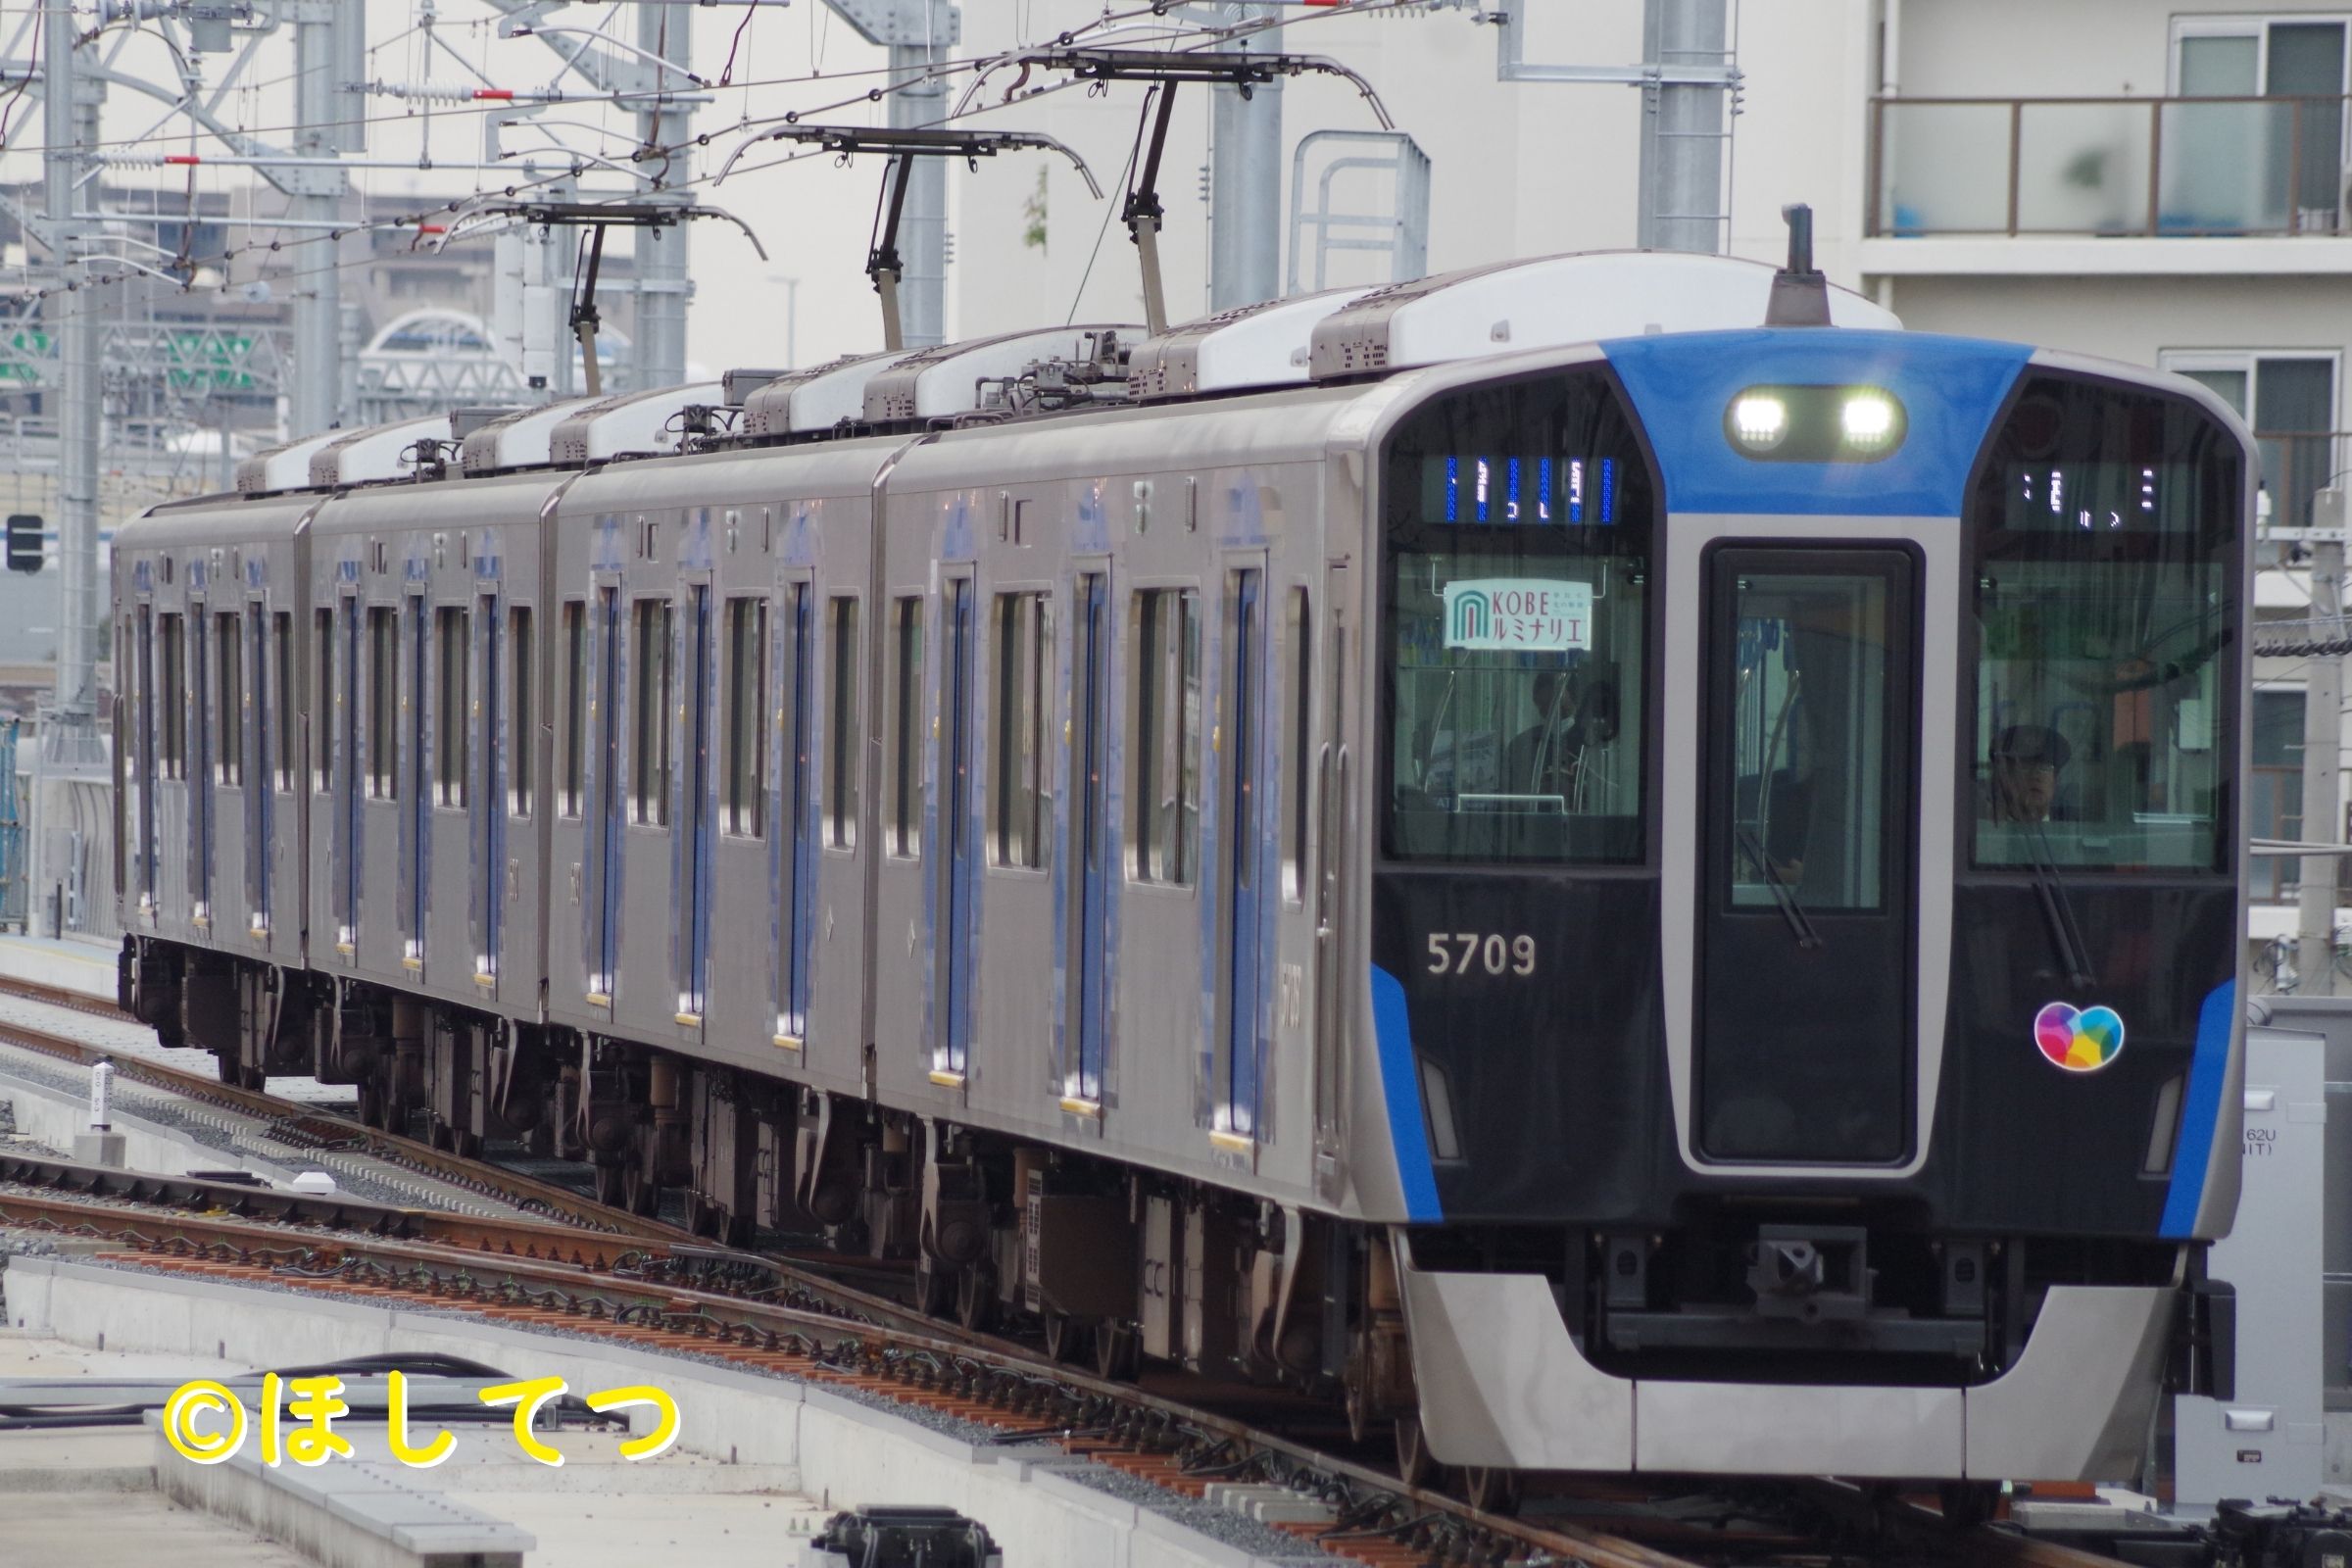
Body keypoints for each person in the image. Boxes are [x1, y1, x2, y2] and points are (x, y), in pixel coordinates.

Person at [1986, 723, 2070, 823]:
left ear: (2056, 781)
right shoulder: (1983, 829)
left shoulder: (2070, 829)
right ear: (2005, 779)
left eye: (2044, 767)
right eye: (2024, 767)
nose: (2035, 776)